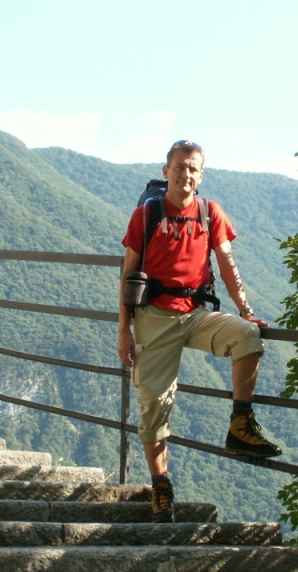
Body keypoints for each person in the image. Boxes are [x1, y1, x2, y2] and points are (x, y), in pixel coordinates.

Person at [117, 139, 281, 523]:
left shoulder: (210, 213)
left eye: (192, 168)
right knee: (154, 403)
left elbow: (227, 264)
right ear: (166, 171)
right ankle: (161, 487)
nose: (185, 174)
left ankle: (240, 425)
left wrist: (246, 311)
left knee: (247, 336)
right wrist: (124, 329)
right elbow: (128, 274)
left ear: (201, 175)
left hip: (197, 312)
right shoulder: (145, 215)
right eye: (179, 166)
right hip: (155, 316)